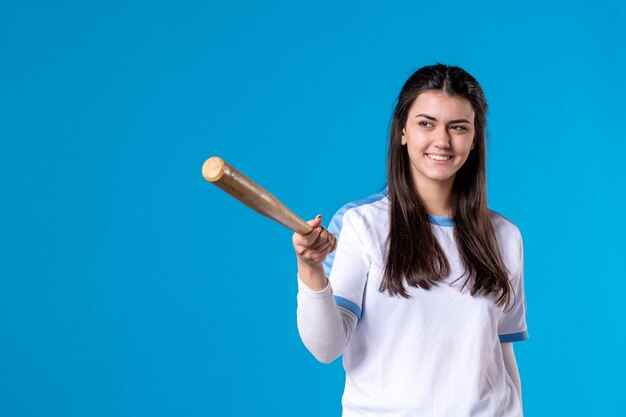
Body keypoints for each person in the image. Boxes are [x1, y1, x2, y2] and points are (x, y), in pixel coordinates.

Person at [292, 63, 529, 417]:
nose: (442, 141)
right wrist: (310, 269)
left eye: (458, 127)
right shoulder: (360, 224)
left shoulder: (505, 236)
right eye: (426, 123)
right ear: (402, 130)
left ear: (475, 138)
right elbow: (326, 347)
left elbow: (501, 354)